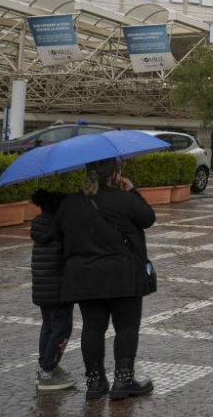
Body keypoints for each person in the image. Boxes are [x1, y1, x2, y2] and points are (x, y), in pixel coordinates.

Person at [54, 158, 156, 401]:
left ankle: (95, 382)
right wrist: (132, 190)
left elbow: (56, 234)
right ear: (114, 175)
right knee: (127, 327)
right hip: (122, 274)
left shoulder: (71, 203)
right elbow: (148, 218)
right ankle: (123, 380)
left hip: (85, 277)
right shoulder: (125, 199)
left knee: (92, 328)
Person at [30, 189, 75, 391]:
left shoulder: (39, 226)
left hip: (42, 289)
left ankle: (47, 366)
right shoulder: (61, 229)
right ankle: (48, 371)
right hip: (59, 290)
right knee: (61, 329)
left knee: (48, 327)